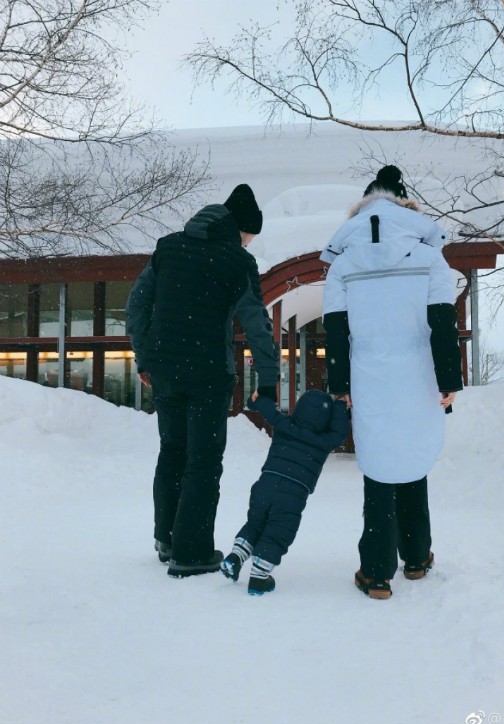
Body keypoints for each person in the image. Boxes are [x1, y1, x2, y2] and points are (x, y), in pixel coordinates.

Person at [321, 165, 463, 600]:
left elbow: (335, 328)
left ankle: (377, 571)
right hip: (418, 374)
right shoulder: (428, 258)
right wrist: (448, 381)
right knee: (413, 461)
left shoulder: (343, 263)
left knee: (379, 469)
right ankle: (417, 557)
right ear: (405, 204)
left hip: (370, 377)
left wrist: (339, 384)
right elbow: (443, 324)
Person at [126, 184, 279, 578]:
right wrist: (268, 380)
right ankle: (191, 553)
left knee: (172, 450)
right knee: (203, 460)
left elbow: (138, 303)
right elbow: (258, 325)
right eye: (250, 236)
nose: (249, 243)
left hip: (165, 368)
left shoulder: (169, 248)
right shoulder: (236, 260)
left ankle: (167, 538)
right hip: (208, 370)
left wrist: (145, 357)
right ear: (241, 229)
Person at [220, 390, 349, 595]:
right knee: (277, 534)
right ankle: (259, 579)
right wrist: (341, 406)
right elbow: (339, 433)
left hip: (265, 485)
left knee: (255, 524)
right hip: (292, 495)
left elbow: (267, 410)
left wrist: (256, 401)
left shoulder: (284, 425)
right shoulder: (324, 441)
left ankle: (235, 558)